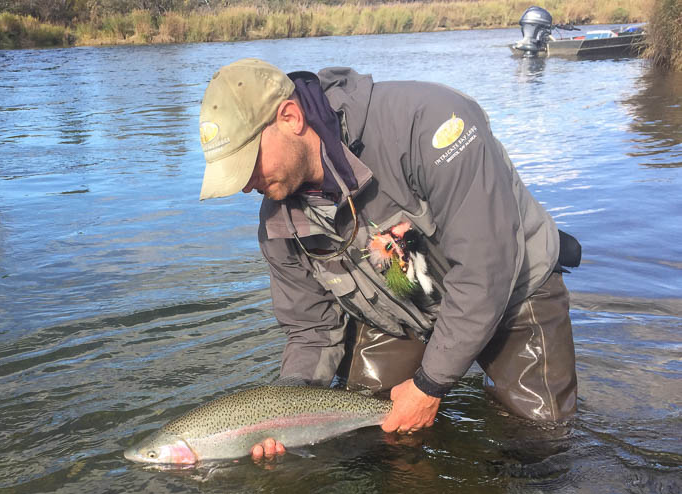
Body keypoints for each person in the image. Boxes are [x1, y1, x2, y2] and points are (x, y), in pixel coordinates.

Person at [197, 58, 578, 460]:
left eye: (248, 164)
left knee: (540, 450)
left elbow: (486, 270)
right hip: (402, 306)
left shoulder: (428, 124)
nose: (245, 185)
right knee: (367, 445)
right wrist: (287, 412)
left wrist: (430, 385)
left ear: (290, 117)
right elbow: (311, 329)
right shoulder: (279, 224)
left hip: (514, 290)